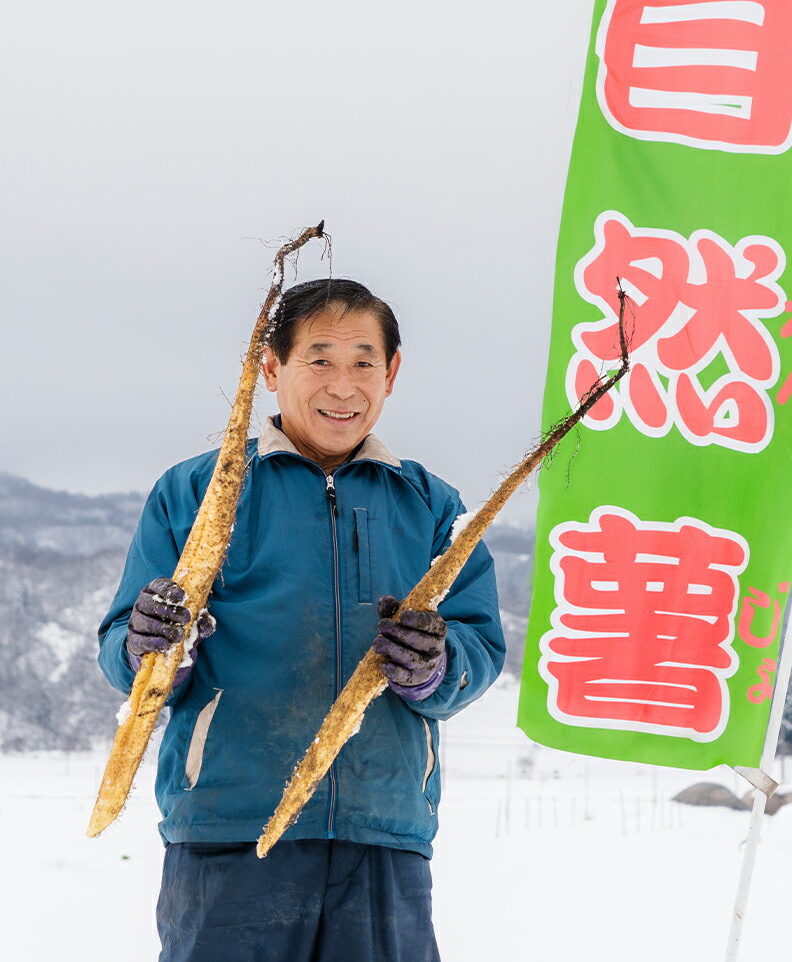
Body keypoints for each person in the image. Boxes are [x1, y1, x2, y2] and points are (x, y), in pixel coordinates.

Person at [97, 278, 505, 962]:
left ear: (392, 372)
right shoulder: (198, 491)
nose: (343, 386)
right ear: (271, 369)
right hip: (230, 829)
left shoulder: (432, 505)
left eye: (363, 362)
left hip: (384, 834)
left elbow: (478, 646)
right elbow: (123, 649)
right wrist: (154, 647)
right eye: (320, 359)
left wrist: (436, 666)